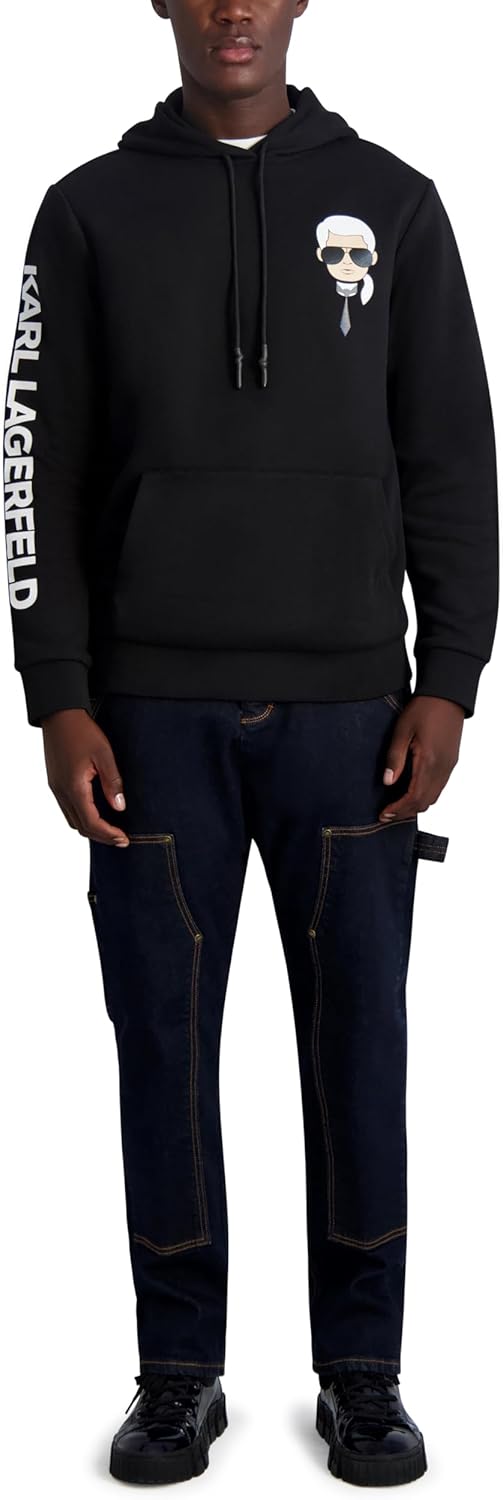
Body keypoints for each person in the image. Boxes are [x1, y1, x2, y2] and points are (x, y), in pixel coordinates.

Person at [2, 0, 499, 1488]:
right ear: (161, 0)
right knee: (162, 1045)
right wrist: (58, 690)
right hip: (147, 713)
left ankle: (363, 1375)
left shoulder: (397, 205)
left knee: (362, 1047)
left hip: (353, 711)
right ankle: (178, 1375)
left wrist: (449, 678)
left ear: (297, 2)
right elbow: (35, 460)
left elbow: (453, 458)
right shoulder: (84, 212)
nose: (234, 8)